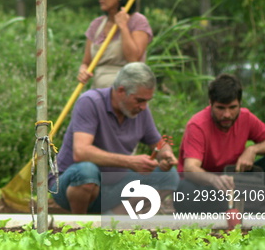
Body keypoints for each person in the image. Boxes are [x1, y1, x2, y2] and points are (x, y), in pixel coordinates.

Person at [50, 62, 179, 214]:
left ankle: (113, 219)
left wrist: (166, 155)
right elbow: (81, 152)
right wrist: (130, 161)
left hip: (113, 185)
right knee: (86, 171)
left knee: (169, 176)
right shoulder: (90, 102)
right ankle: (79, 225)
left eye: (147, 101)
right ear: (121, 91)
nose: (143, 106)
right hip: (70, 183)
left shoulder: (141, 111)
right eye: (139, 100)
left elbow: (158, 143)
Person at [176, 74, 265, 213]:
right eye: (220, 108)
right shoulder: (197, 125)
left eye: (232, 107)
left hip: (236, 181)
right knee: (185, 190)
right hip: (207, 187)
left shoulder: (246, 117)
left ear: (240, 104)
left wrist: (252, 149)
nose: (227, 114)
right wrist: (213, 179)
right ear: (210, 103)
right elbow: (190, 168)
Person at [77, 0, 153, 89]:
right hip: (99, 94)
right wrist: (83, 71)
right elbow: (86, 62)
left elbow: (134, 61)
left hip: (127, 94)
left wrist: (123, 26)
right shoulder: (96, 25)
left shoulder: (138, 21)